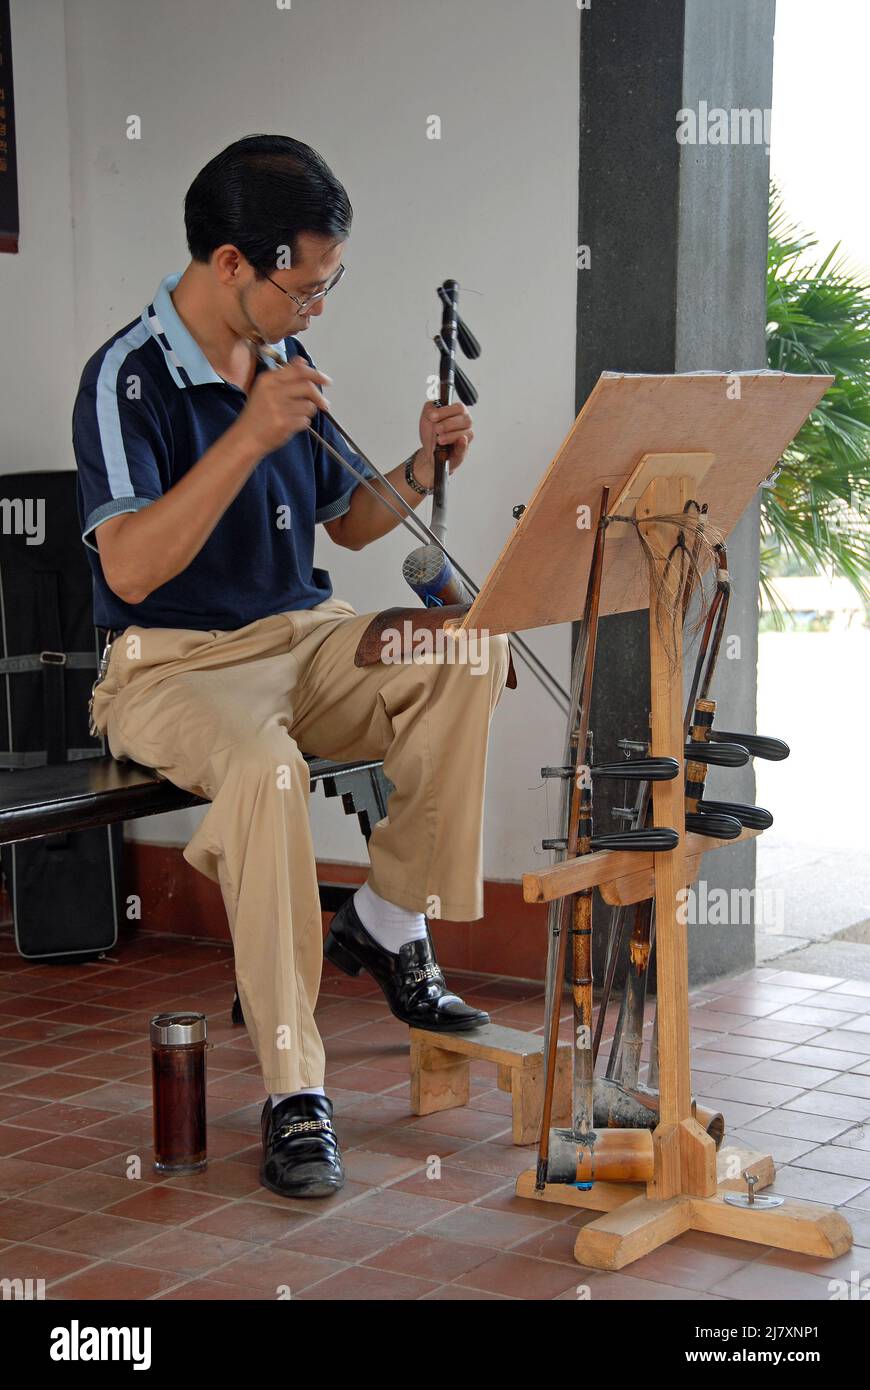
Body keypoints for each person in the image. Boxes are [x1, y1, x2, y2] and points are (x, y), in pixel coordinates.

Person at [74, 134, 510, 1200]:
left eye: (329, 283)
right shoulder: (127, 378)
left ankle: (385, 919)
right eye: (302, 285)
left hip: (299, 640)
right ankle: (293, 1088)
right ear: (231, 264)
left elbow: (350, 525)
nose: (316, 306)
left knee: (461, 645)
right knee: (267, 776)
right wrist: (246, 438)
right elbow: (129, 567)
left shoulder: (280, 372)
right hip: (170, 666)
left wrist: (419, 465)